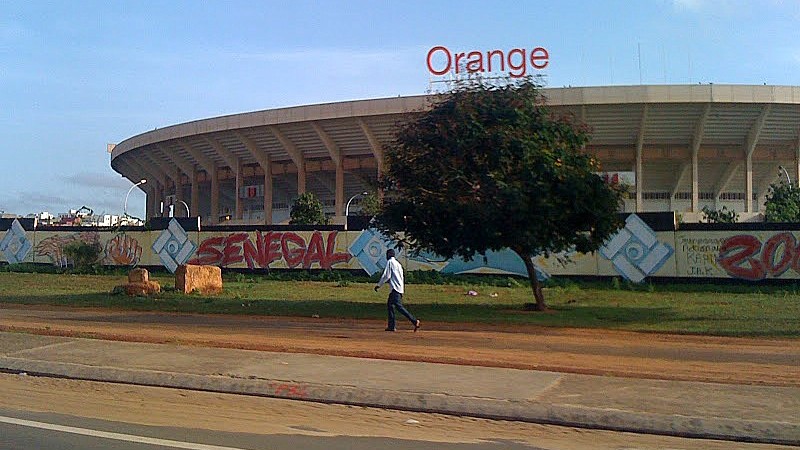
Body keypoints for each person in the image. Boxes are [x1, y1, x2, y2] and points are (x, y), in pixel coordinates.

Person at [374, 248, 420, 332]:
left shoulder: (390, 262)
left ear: (388, 255)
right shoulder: (398, 264)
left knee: (398, 307)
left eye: (386, 255)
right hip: (399, 288)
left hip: (395, 289)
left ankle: (414, 321)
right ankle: (391, 326)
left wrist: (379, 285)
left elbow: (386, 275)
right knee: (390, 305)